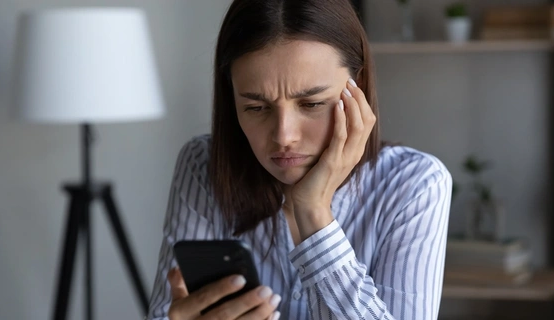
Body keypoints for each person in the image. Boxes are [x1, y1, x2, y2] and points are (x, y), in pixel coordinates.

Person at [147, 0, 452, 319]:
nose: (284, 136)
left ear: (357, 88)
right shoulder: (202, 166)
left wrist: (313, 212)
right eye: (256, 108)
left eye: (312, 104)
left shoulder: (414, 185)